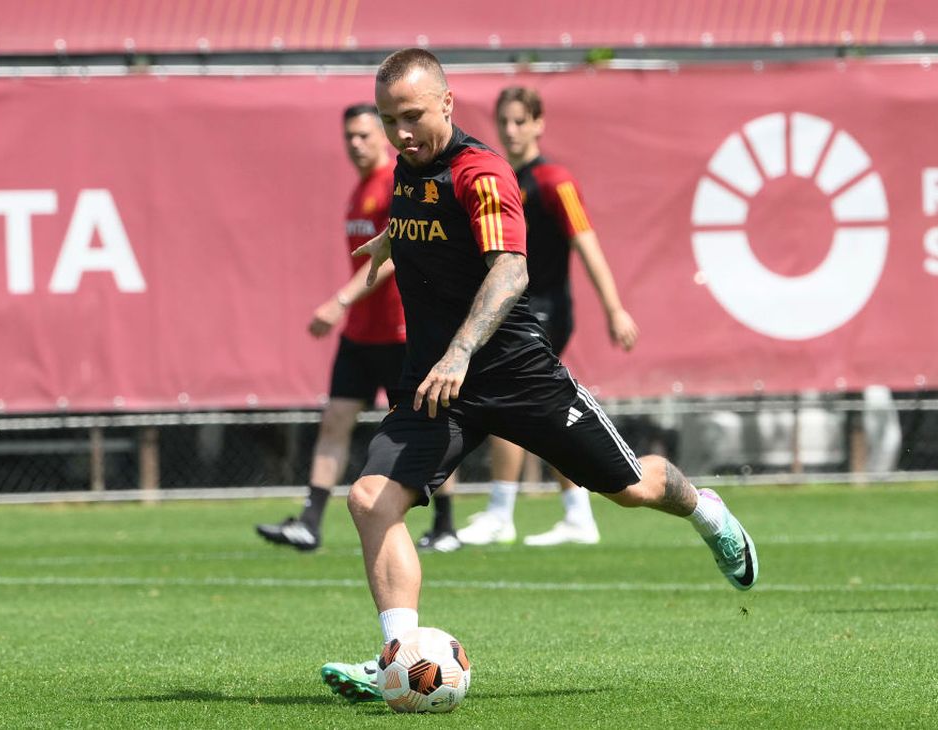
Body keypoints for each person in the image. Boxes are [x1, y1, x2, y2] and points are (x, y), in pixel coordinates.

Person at [319, 49, 758, 703]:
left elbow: (510, 270)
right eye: (389, 120)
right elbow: (430, 223)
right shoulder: (410, 172)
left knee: (632, 488)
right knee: (368, 500)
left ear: (446, 103)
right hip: (438, 384)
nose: (400, 133)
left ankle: (709, 512)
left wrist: (463, 349)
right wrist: (394, 240)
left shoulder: (484, 172)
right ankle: (396, 658)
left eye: (411, 116)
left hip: (515, 370)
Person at [255, 104, 460, 553]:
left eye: (366, 134)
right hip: (361, 335)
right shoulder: (359, 189)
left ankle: (445, 525)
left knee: (425, 429)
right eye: (350, 136)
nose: (357, 143)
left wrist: (339, 299)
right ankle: (310, 522)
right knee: (335, 422)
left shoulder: (394, 182)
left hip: (401, 333)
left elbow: (392, 255)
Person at [454, 86, 640, 548]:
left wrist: (614, 309)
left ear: (539, 123)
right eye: (505, 122)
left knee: (506, 396)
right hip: (515, 310)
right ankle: (577, 513)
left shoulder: (554, 179)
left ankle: (501, 511)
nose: (512, 131)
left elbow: (586, 241)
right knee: (544, 408)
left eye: (521, 121)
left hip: (545, 309)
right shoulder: (496, 178)